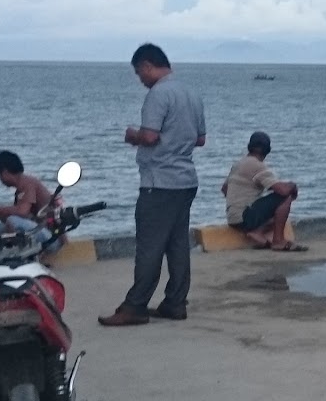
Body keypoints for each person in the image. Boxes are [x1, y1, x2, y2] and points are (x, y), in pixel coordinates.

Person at [101, 43, 206, 327]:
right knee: (177, 245)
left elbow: (149, 137)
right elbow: (200, 139)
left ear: (147, 65)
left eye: (139, 73)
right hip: (185, 180)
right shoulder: (191, 94)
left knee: (149, 246)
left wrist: (132, 135)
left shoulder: (158, 94)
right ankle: (175, 302)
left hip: (159, 182)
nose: (141, 80)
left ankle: (135, 305)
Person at [222, 131, 303, 251]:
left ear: (249, 147)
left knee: (274, 207)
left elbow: (224, 189)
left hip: (232, 218)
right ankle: (278, 241)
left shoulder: (238, 164)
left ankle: (256, 232)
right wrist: (293, 186)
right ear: (267, 150)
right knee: (285, 198)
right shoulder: (257, 166)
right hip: (245, 217)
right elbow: (282, 191)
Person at [0, 150, 52, 237]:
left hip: (49, 233)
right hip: (37, 228)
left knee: (12, 220)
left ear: (5, 172)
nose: (0, 180)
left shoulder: (28, 183)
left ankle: (12, 244)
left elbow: (22, 212)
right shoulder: (20, 189)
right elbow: (15, 218)